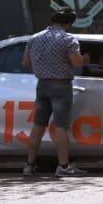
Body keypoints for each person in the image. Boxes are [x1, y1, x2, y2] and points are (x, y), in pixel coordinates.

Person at [22, 9, 85, 176]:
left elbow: (26, 62)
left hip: (41, 85)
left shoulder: (34, 38)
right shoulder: (68, 39)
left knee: (38, 125)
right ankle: (63, 166)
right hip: (61, 86)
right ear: (68, 24)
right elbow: (77, 63)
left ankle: (29, 165)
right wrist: (83, 58)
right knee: (61, 126)